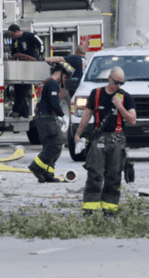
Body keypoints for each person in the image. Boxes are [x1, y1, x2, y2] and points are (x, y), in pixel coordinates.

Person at [74, 67, 136, 215]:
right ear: (109, 78)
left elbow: (132, 120)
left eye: (121, 83)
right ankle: (89, 209)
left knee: (114, 176)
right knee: (94, 174)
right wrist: (78, 134)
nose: (118, 86)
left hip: (117, 141)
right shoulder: (96, 94)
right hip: (99, 139)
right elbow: (87, 115)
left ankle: (109, 211)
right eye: (116, 82)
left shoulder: (125, 97)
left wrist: (119, 106)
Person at [29, 62, 73, 183]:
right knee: (56, 144)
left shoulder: (47, 82)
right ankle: (36, 167)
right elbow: (54, 102)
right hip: (47, 119)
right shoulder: (53, 84)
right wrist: (62, 115)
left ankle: (48, 174)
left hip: (43, 118)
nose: (65, 80)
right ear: (60, 73)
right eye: (65, 77)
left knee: (49, 146)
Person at [8, 23, 43, 118]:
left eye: (12, 34)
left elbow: (40, 43)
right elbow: (13, 53)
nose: (12, 36)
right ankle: (25, 112)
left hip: (30, 66)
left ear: (17, 31)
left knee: (23, 90)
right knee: (17, 89)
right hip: (20, 67)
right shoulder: (14, 40)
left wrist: (40, 55)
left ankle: (17, 111)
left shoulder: (28, 36)